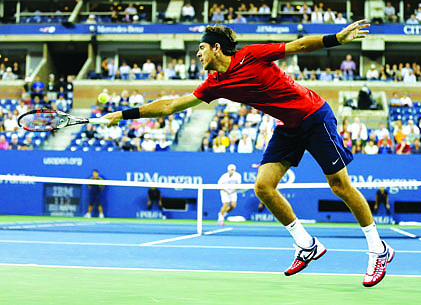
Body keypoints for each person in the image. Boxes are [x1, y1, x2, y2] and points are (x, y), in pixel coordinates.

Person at [103, 20, 394, 287]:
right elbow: (170, 106)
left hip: (314, 115)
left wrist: (337, 39)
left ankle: (379, 249)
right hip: (287, 127)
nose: (198, 55)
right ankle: (307, 245)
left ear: (216, 47)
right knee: (263, 187)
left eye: (201, 48)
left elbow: (299, 45)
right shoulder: (214, 83)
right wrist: (123, 114)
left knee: (339, 185)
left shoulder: (252, 55)